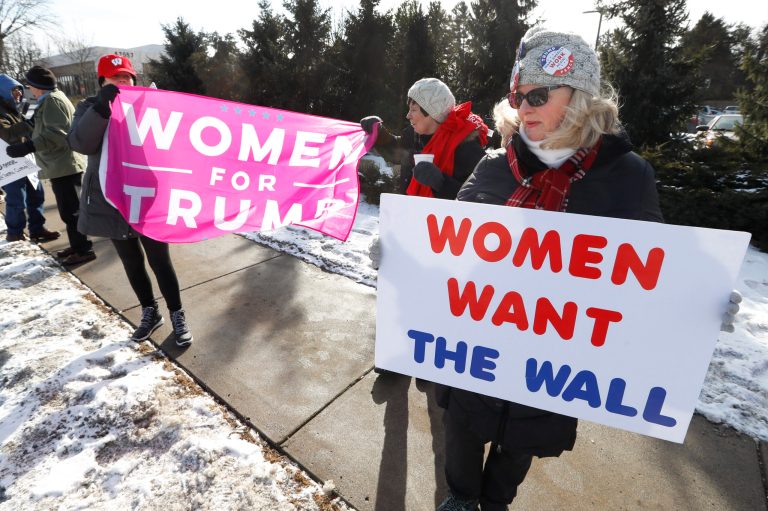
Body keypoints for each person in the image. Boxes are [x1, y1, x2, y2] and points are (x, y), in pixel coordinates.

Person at [429, 27, 741, 511]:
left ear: (579, 97)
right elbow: (446, 248)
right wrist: (400, 257)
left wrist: (698, 295)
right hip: (481, 345)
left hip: (556, 357)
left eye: (538, 93)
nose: (524, 107)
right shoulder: (494, 166)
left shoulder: (627, 176)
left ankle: (494, 502)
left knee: (520, 444)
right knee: (463, 428)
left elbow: (650, 267)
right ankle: (461, 496)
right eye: (517, 95)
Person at [67, 54, 193, 348]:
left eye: (126, 77)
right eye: (115, 78)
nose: (122, 82)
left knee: (160, 260)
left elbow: (175, 145)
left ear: (135, 80)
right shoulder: (89, 108)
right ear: (102, 83)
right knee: (131, 262)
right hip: (110, 199)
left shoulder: (150, 108)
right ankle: (150, 312)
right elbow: (80, 144)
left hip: (146, 198)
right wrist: (101, 109)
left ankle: (177, 314)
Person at [5, 66, 94, 264]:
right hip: (59, 164)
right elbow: (33, 124)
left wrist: (28, 146)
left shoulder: (52, 101)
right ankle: (77, 244)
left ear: (38, 87)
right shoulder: (48, 98)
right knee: (69, 211)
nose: (27, 89)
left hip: (64, 165)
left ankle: (84, 250)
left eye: (29, 86)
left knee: (72, 212)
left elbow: (56, 134)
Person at [360, 77, 489, 201]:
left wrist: (441, 183)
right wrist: (379, 133)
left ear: (432, 114)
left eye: (413, 110)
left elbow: (481, 196)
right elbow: (398, 153)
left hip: (442, 222)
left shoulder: (465, 146)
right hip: (410, 216)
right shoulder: (414, 134)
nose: (408, 115)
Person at [0, 74, 59, 243]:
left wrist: (31, 117)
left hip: (26, 158)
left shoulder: (16, 107)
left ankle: (37, 228)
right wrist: (29, 123)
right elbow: (7, 134)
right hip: (9, 162)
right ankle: (15, 233)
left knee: (36, 194)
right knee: (16, 200)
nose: (19, 93)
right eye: (14, 90)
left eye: (19, 89)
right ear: (3, 92)